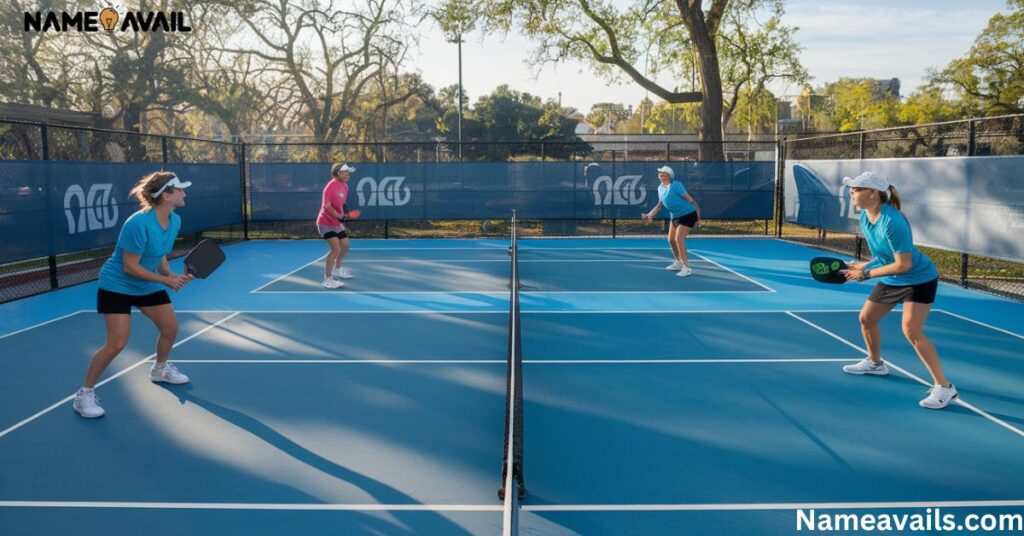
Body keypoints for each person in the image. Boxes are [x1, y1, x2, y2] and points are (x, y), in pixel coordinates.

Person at [73, 172, 194, 418]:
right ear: (167, 195)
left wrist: (169, 273)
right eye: (180, 190)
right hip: (117, 284)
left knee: (170, 329)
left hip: (146, 282)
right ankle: (83, 395)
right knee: (117, 342)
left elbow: (159, 251)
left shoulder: (174, 220)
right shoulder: (138, 224)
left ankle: (160, 369)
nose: (184, 193)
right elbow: (130, 267)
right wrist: (166, 281)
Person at [840, 171, 957, 409]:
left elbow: (904, 264)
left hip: (918, 279)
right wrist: (867, 264)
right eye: (852, 188)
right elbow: (884, 253)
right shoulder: (865, 215)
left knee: (911, 331)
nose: (851, 192)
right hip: (892, 276)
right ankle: (875, 364)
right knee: (866, 318)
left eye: (857, 188)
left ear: (873, 193)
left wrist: (866, 274)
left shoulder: (893, 221)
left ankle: (945, 387)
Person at [642, 165, 702, 277]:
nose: (660, 173)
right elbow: (660, 205)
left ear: (669, 176)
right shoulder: (660, 188)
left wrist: (698, 216)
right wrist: (650, 214)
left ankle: (686, 268)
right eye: (660, 172)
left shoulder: (676, 185)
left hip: (688, 214)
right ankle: (678, 262)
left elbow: (691, 201)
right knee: (671, 239)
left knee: (679, 239)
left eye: (663, 172)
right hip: (674, 216)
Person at [317, 163, 357, 288]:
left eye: (348, 172)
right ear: (337, 173)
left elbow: (341, 204)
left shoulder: (345, 186)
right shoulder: (330, 187)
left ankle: (338, 269)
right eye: (345, 172)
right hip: (325, 223)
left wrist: (343, 215)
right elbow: (327, 205)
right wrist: (337, 215)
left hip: (337, 223)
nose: (348, 174)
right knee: (336, 249)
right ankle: (327, 279)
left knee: (345, 245)